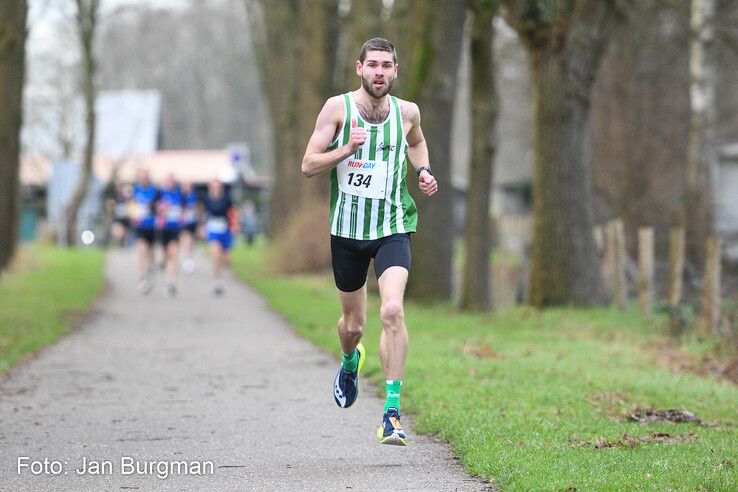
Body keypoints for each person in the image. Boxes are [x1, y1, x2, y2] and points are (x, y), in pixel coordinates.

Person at [301, 38, 438, 446]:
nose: (379, 72)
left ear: (395, 71)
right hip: (347, 230)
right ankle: (349, 361)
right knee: (354, 326)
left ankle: (391, 415)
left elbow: (416, 143)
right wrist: (346, 149)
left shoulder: (408, 112)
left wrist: (425, 170)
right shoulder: (336, 108)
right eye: (372, 65)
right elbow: (308, 164)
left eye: (387, 66)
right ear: (359, 68)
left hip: (393, 225)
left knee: (392, 310)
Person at [203, 179, 238, 296]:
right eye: (213, 186)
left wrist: (235, 225)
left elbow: (232, 213)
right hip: (213, 230)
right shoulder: (207, 199)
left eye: (217, 186)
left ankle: (221, 276)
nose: (215, 188)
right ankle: (217, 280)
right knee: (215, 253)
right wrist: (202, 227)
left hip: (225, 230)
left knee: (225, 259)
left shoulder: (226, 199)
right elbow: (205, 214)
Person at [155, 173, 184, 296]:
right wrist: (161, 209)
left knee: (173, 254)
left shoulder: (179, 194)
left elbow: (184, 209)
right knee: (166, 256)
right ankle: (164, 265)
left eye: (172, 181)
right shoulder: (160, 193)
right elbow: (154, 208)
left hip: (175, 229)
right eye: (168, 181)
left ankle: (171, 282)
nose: (170, 183)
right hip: (163, 229)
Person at [131, 169, 158, 294]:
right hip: (140, 226)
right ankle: (142, 276)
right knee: (142, 250)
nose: (143, 180)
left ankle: (150, 270)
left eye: (145, 177)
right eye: (141, 177)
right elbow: (131, 206)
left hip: (152, 226)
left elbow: (160, 206)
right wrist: (133, 215)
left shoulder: (155, 191)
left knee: (150, 252)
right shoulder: (135, 190)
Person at [180, 181, 200, 274]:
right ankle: (187, 259)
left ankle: (189, 258)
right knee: (186, 240)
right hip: (183, 223)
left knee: (190, 241)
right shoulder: (181, 197)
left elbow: (197, 208)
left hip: (192, 223)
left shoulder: (194, 196)